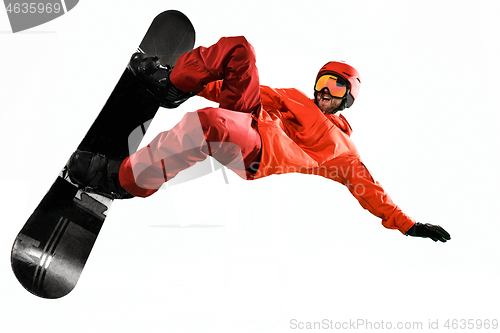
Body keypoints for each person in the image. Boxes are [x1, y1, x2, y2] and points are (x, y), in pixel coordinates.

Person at [67, 36, 451, 242]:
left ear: (348, 97)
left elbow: (371, 191)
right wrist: (193, 83)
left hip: (258, 151)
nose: (324, 90)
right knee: (240, 50)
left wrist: (408, 224)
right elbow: (244, 90)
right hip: (250, 117)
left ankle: (125, 179)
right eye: (322, 80)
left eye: (335, 85)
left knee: (208, 124)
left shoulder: (345, 154)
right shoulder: (298, 98)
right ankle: (169, 84)